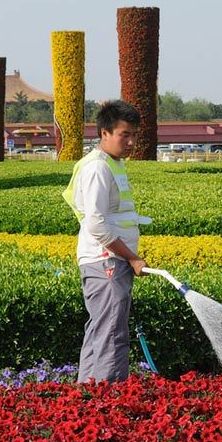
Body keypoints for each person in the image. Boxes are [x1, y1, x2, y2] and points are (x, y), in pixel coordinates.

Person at [62, 100, 151, 383]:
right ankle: (108, 402)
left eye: (134, 134)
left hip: (110, 261)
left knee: (102, 329)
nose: (131, 141)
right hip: (106, 263)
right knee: (111, 332)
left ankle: (88, 396)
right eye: (124, 135)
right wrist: (132, 257)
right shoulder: (97, 169)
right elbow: (97, 225)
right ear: (104, 133)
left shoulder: (112, 165)